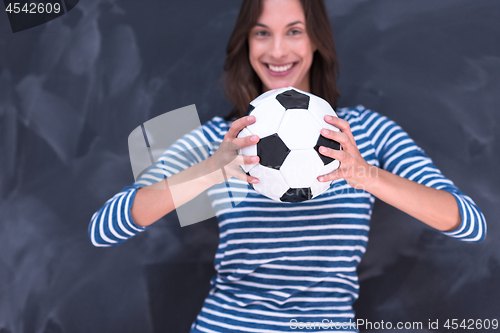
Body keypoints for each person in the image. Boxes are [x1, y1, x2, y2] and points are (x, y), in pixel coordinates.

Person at [88, 0, 487, 332]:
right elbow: (103, 229)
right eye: (262, 33)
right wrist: (213, 169)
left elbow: (470, 223)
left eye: (294, 31)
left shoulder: (366, 130)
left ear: (317, 42)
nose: (277, 51)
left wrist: (364, 175)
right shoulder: (220, 139)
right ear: (245, 43)